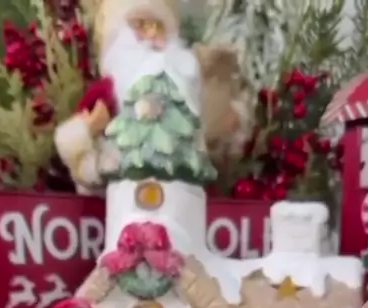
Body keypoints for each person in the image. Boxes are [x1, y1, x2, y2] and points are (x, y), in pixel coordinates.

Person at [54, 0, 252, 190]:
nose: (151, 34)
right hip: (122, 192)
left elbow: (213, 138)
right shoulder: (108, 90)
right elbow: (72, 147)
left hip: (181, 192)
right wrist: (88, 128)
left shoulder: (186, 82)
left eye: (157, 25)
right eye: (140, 25)